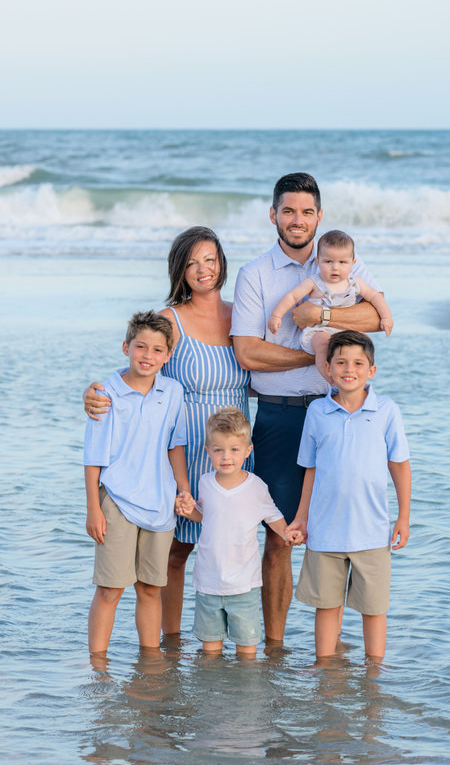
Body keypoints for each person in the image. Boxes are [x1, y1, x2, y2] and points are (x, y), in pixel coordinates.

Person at [231, 172, 382, 644]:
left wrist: (323, 318)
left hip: (340, 413)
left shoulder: (343, 265)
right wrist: (317, 354)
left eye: (307, 211)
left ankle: (335, 653)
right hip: (279, 415)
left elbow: (377, 316)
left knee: (339, 533)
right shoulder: (255, 274)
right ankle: (275, 648)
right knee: (278, 535)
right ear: (273, 215)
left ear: (320, 216)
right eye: (289, 211)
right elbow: (248, 352)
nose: (298, 220)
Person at [83, 227, 251, 636]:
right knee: (175, 552)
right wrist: (92, 393)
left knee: (233, 547)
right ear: (179, 269)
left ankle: (234, 640)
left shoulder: (244, 315)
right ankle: (170, 643)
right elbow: (136, 370)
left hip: (228, 448)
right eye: (191, 262)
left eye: (210, 259)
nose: (202, 270)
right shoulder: (168, 320)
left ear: (222, 262)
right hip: (182, 447)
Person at [287, 330, 411, 661]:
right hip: (325, 532)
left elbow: (399, 466)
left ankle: (375, 677)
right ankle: (325, 672)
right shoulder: (317, 412)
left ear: (371, 370)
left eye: (358, 363)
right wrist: (301, 517)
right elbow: (310, 470)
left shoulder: (386, 411)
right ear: (327, 368)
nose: (349, 369)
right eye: (341, 362)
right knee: (326, 607)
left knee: (374, 609)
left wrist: (403, 517)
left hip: (372, 532)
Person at [84, 311, 189, 655]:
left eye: (158, 350)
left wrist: (183, 489)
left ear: (168, 355)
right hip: (116, 502)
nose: (148, 356)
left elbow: (176, 445)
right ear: (126, 347)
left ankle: (151, 662)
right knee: (110, 589)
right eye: (140, 347)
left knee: (150, 588)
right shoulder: (106, 394)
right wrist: (93, 510)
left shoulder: (173, 392)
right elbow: (93, 458)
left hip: (160, 503)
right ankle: (97, 666)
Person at [176, 408, 292, 658]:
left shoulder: (256, 487)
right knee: (209, 652)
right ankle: (213, 694)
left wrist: (289, 534)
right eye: (218, 450)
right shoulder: (205, 482)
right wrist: (189, 511)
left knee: (247, 653)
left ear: (248, 450)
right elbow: (205, 516)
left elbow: (274, 517)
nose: (226, 457)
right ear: (208, 452)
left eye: (234, 450)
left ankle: (244, 695)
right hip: (208, 582)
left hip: (244, 586)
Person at [268, 229, 393, 381]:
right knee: (324, 345)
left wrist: (386, 317)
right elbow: (292, 296)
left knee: (365, 342)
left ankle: (356, 383)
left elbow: (375, 297)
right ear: (317, 261)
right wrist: (276, 315)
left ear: (353, 263)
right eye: (328, 261)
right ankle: (332, 382)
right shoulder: (314, 282)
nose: (335, 267)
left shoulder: (354, 283)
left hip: (345, 329)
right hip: (318, 331)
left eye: (342, 262)